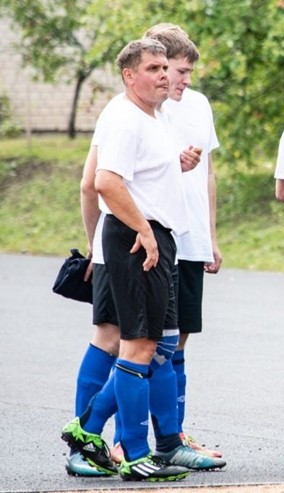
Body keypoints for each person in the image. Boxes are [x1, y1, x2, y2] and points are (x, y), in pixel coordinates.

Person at [60, 38, 194, 482]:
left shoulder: (151, 116)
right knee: (137, 344)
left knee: (148, 344)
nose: (163, 74)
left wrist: (176, 166)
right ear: (129, 75)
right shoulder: (124, 119)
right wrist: (142, 231)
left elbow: (139, 177)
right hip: (136, 239)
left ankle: (89, 430)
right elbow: (103, 182)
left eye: (165, 67)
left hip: (146, 237)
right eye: (153, 67)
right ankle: (132, 452)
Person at [143, 22, 224, 461]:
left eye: (189, 72)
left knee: (181, 339)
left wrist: (211, 235)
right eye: (179, 70)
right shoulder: (145, 110)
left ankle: (173, 437)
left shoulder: (199, 105)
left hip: (192, 237)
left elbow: (208, 171)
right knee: (150, 341)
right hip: (158, 236)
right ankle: (128, 437)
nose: (184, 80)